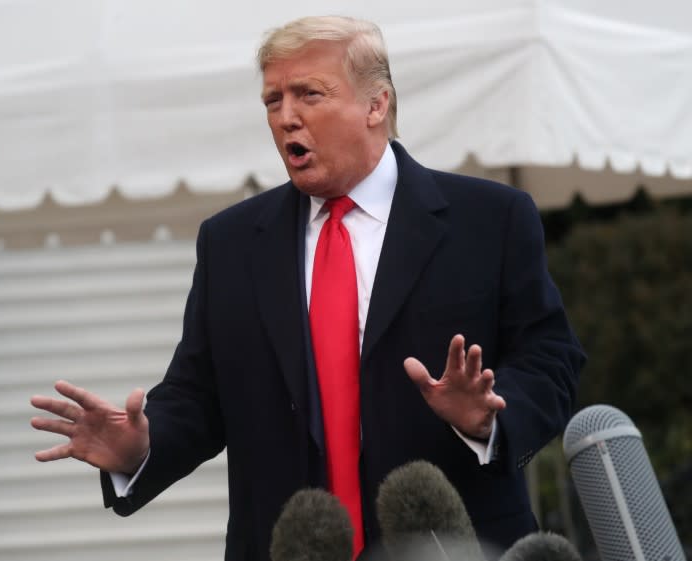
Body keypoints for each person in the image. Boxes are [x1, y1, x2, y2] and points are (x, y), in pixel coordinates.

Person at [30, 15, 585, 561]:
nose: (286, 117)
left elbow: (550, 358)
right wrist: (142, 448)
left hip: (453, 543)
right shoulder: (231, 243)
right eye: (273, 101)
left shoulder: (488, 219)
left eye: (309, 94)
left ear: (376, 104)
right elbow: (197, 397)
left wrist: (489, 416)